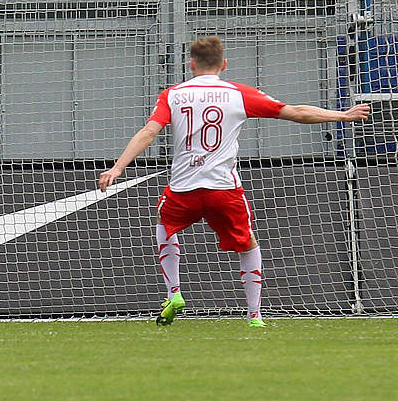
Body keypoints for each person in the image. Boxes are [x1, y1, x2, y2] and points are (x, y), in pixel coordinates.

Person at [98, 36, 370, 327]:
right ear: (224, 64)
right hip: (223, 189)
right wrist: (342, 115)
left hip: (183, 188)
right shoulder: (238, 94)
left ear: (191, 64)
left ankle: (174, 292)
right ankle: (255, 315)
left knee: (165, 225)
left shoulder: (173, 94)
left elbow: (148, 133)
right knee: (248, 244)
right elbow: (296, 113)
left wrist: (117, 168)